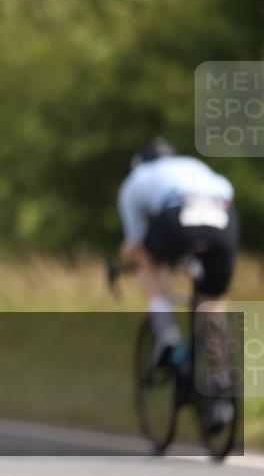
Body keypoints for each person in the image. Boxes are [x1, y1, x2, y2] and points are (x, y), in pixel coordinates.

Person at [117, 138, 239, 418]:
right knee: (212, 305)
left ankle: (167, 335)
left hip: (177, 214)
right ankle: (221, 387)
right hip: (223, 215)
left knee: (150, 262)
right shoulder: (195, 166)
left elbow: (134, 243)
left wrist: (126, 261)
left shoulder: (135, 180)